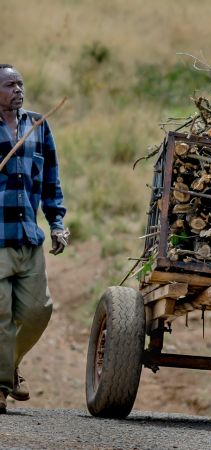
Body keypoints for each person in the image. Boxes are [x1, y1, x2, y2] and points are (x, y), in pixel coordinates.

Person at [0, 64, 68, 413]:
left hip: (28, 235)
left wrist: (57, 222)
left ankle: (9, 365)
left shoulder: (37, 125)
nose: (18, 89)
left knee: (37, 311)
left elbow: (51, 179)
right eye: (10, 84)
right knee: (0, 314)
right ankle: (0, 385)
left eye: (20, 83)